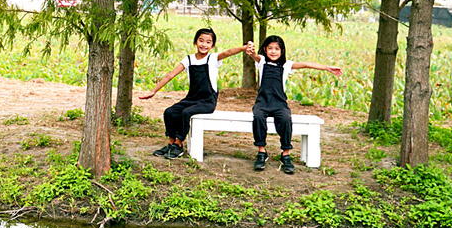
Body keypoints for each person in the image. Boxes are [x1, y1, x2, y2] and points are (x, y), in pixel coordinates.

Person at [138, 28, 254, 159]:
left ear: (212, 45)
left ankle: (179, 144)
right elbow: (170, 75)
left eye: (208, 42)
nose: (204, 44)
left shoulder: (213, 58)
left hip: (207, 101)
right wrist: (153, 91)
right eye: (201, 40)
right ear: (195, 42)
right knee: (169, 112)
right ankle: (171, 144)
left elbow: (229, 52)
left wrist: (244, 48)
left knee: (186, 113)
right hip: (191, 98)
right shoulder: (188, 59)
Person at [250, 34, 341, 174]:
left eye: (277, 49)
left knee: (286, 119)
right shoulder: (262, 61)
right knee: (258, 116)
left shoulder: (286, 65)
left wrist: (327, 68)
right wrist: (251, 52)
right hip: (262, 102)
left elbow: (306, 64)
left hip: (280, 103)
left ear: (282, 51)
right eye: (270, 48)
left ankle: (285, 153)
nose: (273, 51)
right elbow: (254, 56)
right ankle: (261, 152)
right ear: (265, 50)